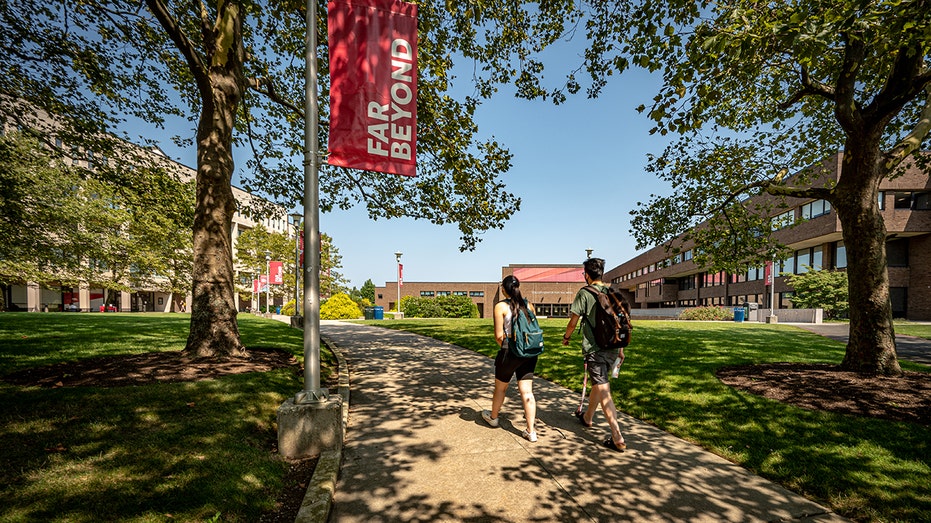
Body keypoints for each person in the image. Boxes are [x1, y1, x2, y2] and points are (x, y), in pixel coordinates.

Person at [562, 257, 627, 451]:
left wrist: (566, 337)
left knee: (604, 391)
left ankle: (617, 437)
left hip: (595, 349)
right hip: (613, 347)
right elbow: (620, 322)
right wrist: (621, 349)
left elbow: (573, 322)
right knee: (598, 385)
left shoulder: (584, 293)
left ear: (587, 275)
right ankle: (588, 417)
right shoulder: (612, 292)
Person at [481, 275, 539, 442]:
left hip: (510, 351)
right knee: (527, 391)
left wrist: (508, 351)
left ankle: (493, 418)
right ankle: (531, 431)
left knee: (501, 388)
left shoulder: (501, 307)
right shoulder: (528, 305)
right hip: (529, 352)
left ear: (503, 289)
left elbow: (499, 336)